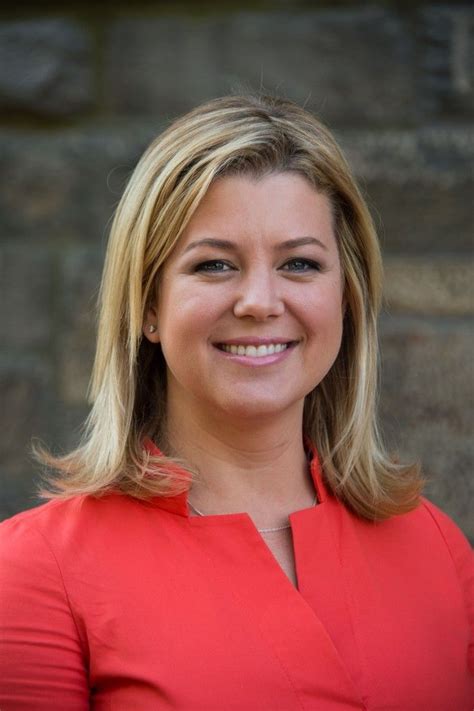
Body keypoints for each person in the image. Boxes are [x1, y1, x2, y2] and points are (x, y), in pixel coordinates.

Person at [0, 94, 472, 710]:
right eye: (215, 265)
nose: (259, 301)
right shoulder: (35, 571)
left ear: (346, 298)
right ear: (147, 306)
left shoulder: (436, 547)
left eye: (299, 263)